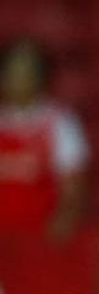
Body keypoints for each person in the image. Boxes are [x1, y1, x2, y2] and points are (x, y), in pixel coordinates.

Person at [0, 38, 87, 244]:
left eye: (27, 72)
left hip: (41, 239)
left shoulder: (60, 123)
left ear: (41, 77)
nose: (19, 79)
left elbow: (73, 188)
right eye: (13, 72)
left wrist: (61, 226)